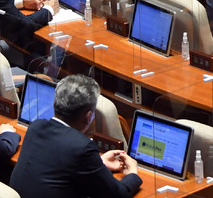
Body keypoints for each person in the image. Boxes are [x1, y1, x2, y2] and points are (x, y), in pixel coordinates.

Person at [10, 74, 142, 198]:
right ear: (89, 116)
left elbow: (60, 162)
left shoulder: (36, 127)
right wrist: (132, 174)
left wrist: (99, 163)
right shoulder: (82, 147)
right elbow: (118, 195)